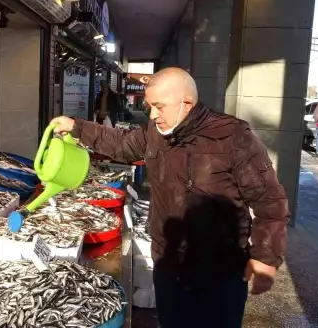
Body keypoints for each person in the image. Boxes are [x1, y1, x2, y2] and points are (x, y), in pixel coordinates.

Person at [50, 68, 289, 328]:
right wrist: (76, 127)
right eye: (149, 106)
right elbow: (120, 143)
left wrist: (265, 258)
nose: (152, 115)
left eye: (159, 107)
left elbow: (271, 202)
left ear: (186, 103)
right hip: (168, 264)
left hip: (219, 271)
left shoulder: (233, 137)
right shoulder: (155, 132)